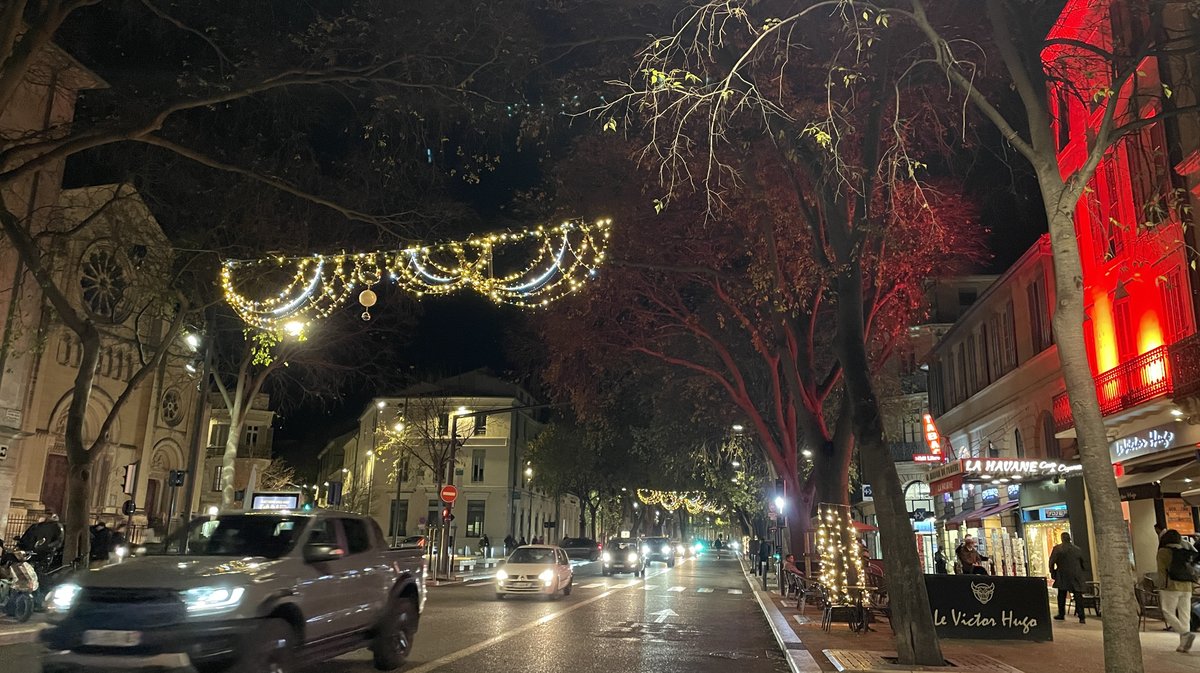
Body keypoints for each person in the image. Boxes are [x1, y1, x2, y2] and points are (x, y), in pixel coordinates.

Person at [1157, 529, 1198, 652]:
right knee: (1184, 615)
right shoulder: (1184, 552)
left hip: (1171, 586)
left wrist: (1162, 586)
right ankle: (1183, 645)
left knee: (1167, 611)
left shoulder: (1163, 552)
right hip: (1187, 587)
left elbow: (1162, 571)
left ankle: (1185, 634)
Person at [1048, 532, 1087, 624]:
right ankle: (1081, 616)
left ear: (1062, 539)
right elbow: (1083, 562)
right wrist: (1081, 572)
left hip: (1062, 574)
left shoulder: (1057, 549)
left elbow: (1051, 562)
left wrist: (1053, 573)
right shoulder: (1077, 549)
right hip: (1076, 575)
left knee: (1061, 595)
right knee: (1078, 596)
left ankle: (1061, 614)